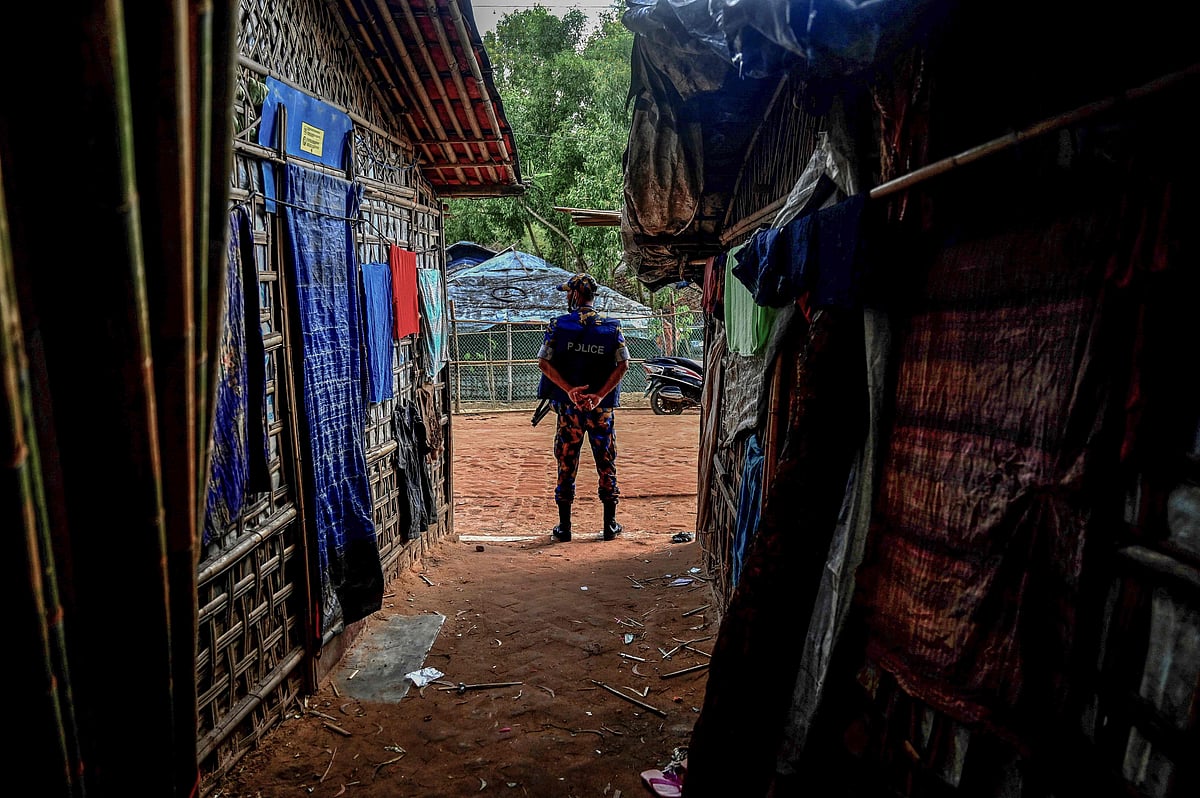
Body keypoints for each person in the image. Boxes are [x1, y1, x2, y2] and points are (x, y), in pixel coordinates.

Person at [537, 272, 630, 542]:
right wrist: (599, 396)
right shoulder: (612, 327)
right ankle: (609, 526)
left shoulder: (558, 325)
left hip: (569, 409)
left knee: (566, 462)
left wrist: (569, 390)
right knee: (606, 462)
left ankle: (564, 527)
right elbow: (624, 364)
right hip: (601, 410)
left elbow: (543, 363)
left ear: (576, 295)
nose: (567, 296)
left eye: (568, 292)